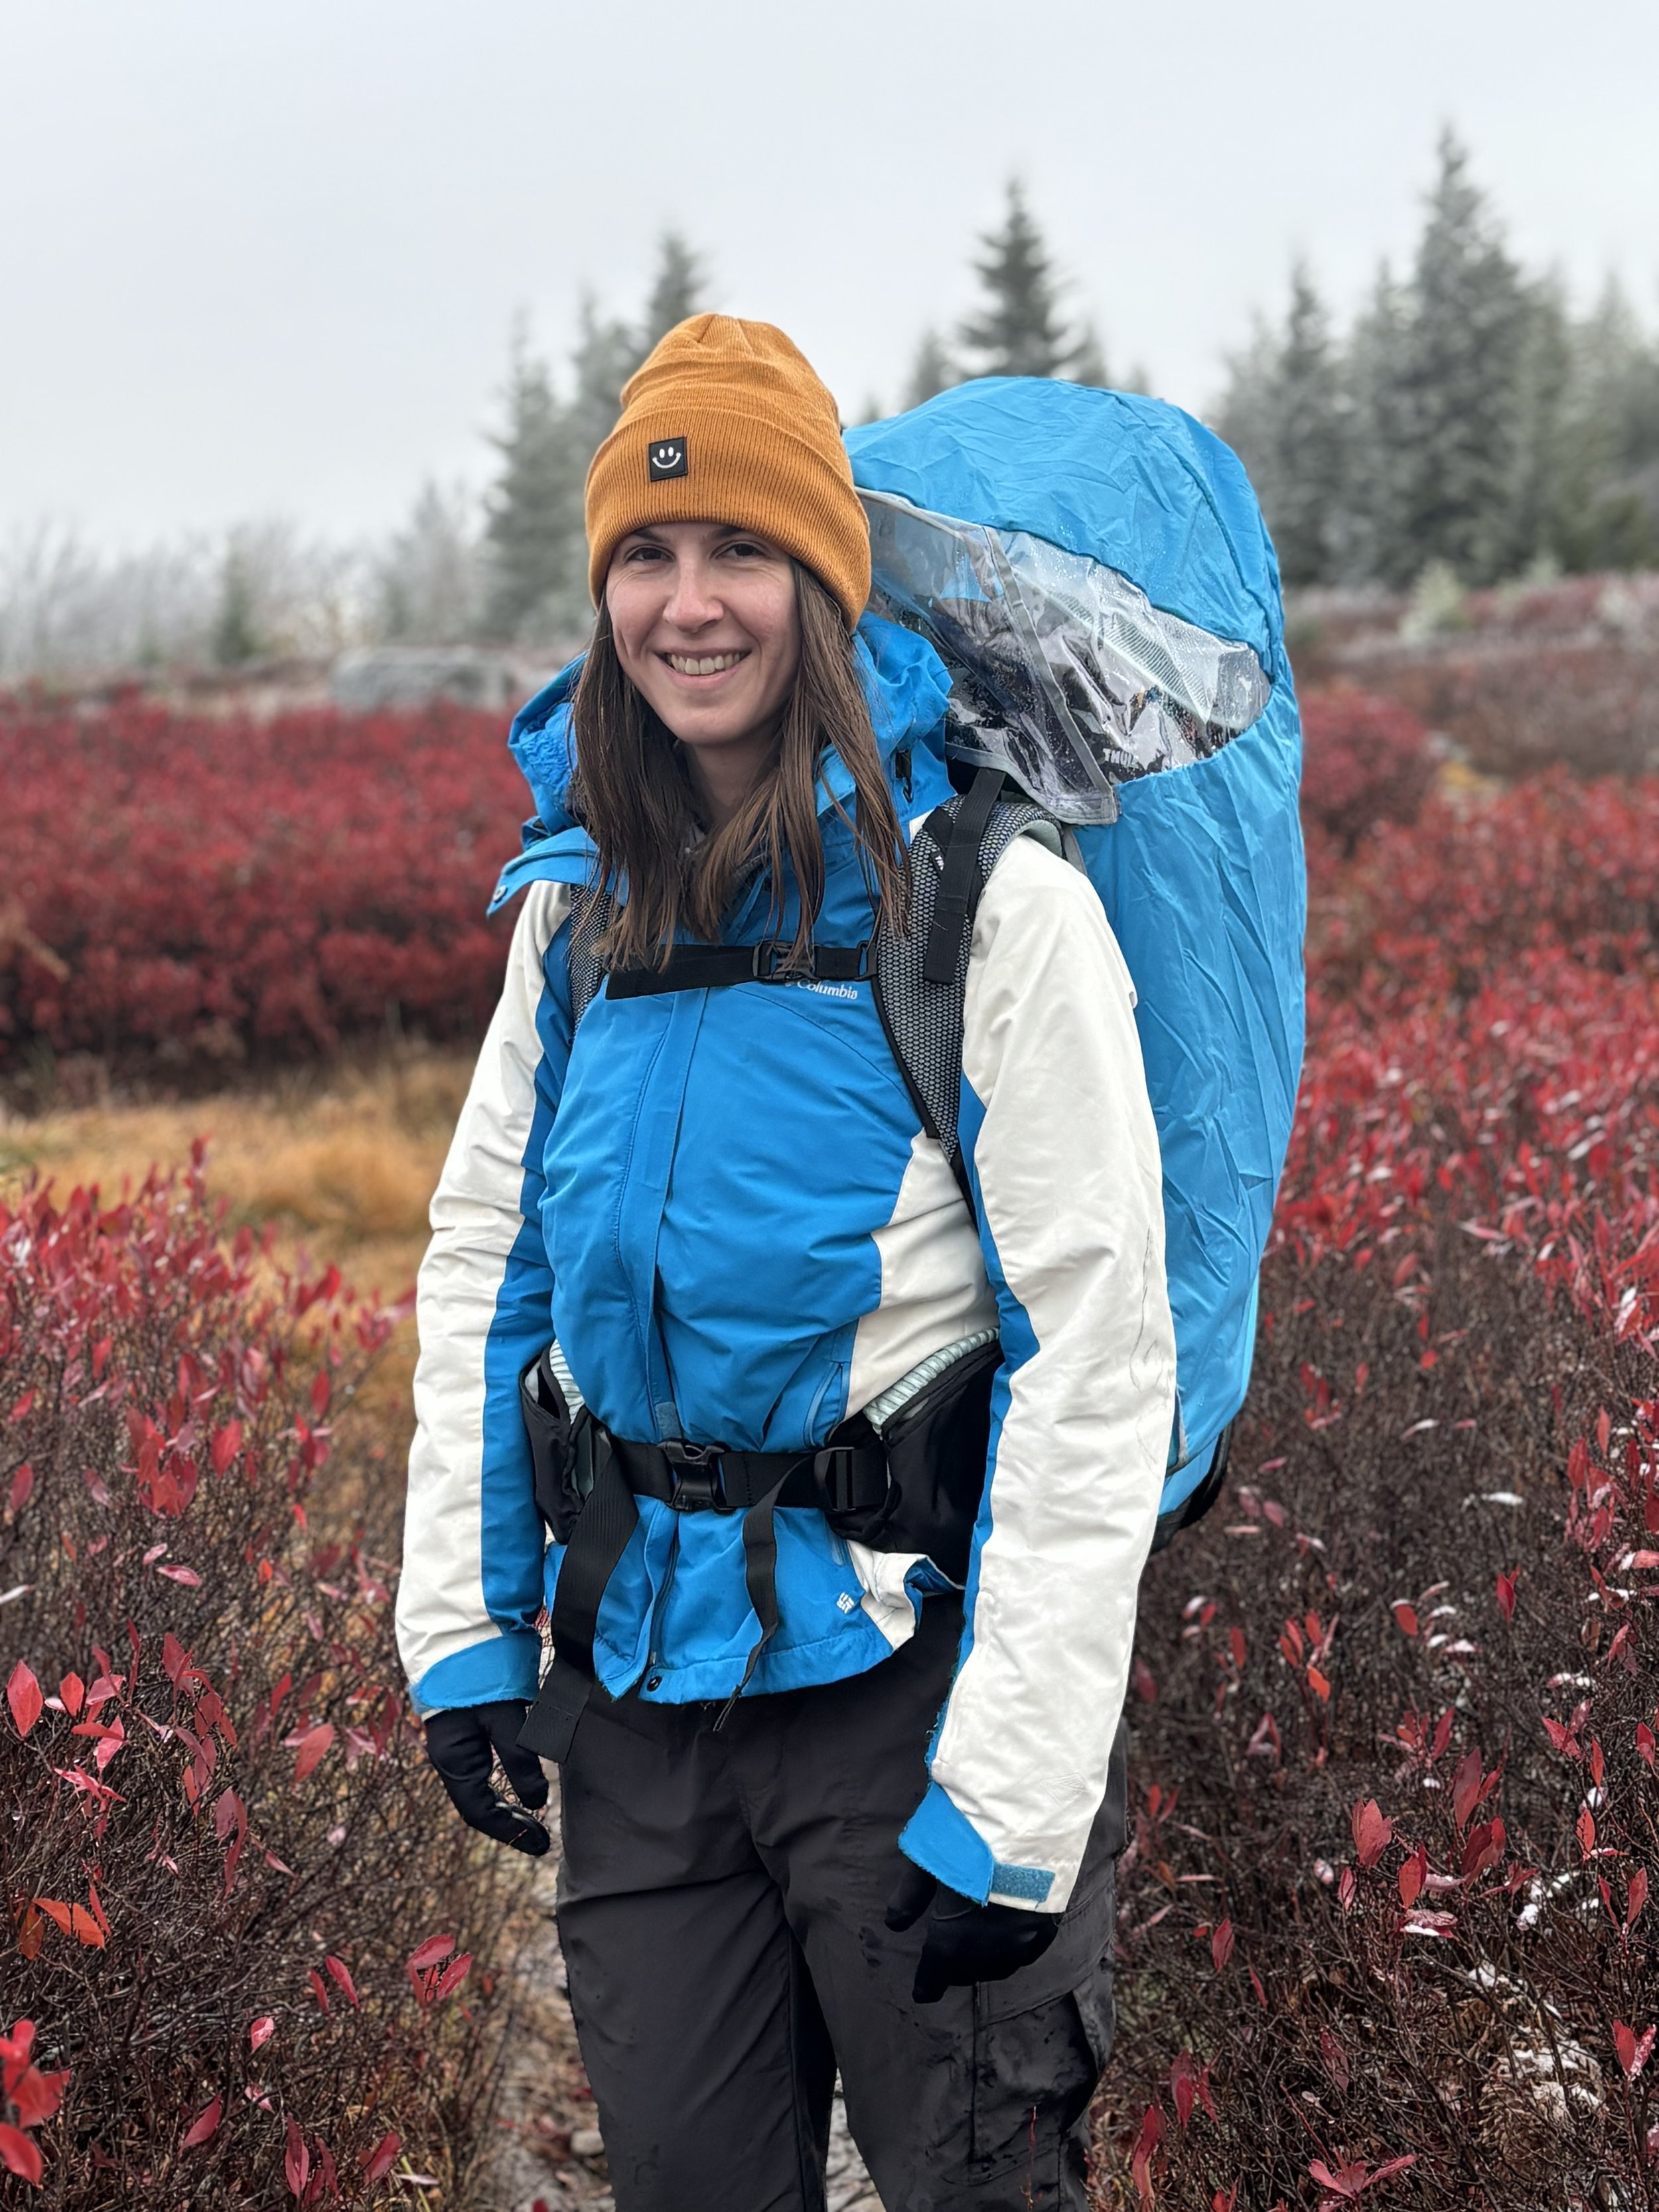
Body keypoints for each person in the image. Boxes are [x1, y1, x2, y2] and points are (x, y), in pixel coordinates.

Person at [396, 315, 1176, 2212]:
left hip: (909, 1689)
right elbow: (488, 1261)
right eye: (645, 557)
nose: (689, 604)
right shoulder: (575, 910)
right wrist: (461, 1632)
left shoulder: (987, 902)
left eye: (739, 551)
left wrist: (1009, 1796)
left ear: (819, 584)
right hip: (644, 1706)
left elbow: (1098, 1348)